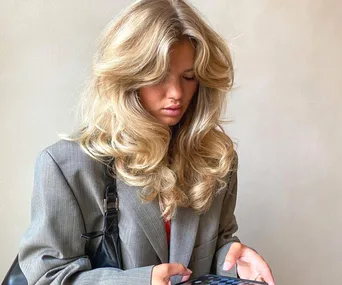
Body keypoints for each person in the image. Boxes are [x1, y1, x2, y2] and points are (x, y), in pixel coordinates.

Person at [18, 0, 275, 284]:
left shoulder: (216, 160)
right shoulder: (67, 168)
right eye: (159, 76)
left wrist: (234, 263)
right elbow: (48, 277)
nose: (176, 93)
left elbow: (217, 247)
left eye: (189, 77)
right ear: (128, 77)